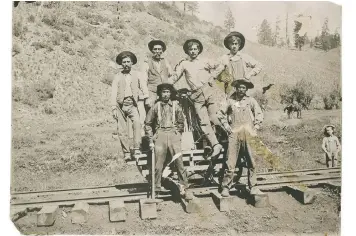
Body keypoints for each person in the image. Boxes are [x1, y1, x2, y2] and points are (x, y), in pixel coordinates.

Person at [170, 39, 223, 158]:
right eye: (191, 49)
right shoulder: (184, 63)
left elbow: (221, 65)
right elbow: (175, 76)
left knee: (215, 118)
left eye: (195, 49)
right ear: (187, 51)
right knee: (203, 122)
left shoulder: (205, 61)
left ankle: (224, 139)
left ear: (198, 50)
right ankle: (216, 145)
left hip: (209, 91)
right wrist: (166, 86)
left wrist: (212, 76)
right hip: (196, 95)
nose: (193, 51)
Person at [217, 79, 263, 197]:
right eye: (239, 87)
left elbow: (259, 113)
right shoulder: (230, 100)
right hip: (234, 133)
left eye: (243, 88)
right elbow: (220, 113)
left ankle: (253, 186)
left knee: (252, 160)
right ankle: (226, 187)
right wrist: (227, 127)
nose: (241, 89)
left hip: (248, 133)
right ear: (236, 88)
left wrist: (256, 126)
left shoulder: (251, 100)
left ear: (246, 89)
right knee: (230, 161)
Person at [144, 83, 191, 199]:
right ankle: (156, 189)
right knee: (158, 164)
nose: (165, 94)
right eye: (163, 92)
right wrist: (151, 138)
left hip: (173, 134)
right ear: (160, 94)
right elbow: (148, 124)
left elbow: (181, 121)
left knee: (179, 162)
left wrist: (177, 133)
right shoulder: (156, 106)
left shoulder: (176, 106)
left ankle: (184, 187)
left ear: (170, 93)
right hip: (160, 134)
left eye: (167, 92)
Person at [111, 51, 149, 158]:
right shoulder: (117, 76)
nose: (126, 64)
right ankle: (127, 152)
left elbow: (143, 86)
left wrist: (146, 97)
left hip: (132, 104)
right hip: (120, 105)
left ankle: (137, 148)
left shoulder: (137, 74)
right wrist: (113, 107)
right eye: (124, 62)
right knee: (121, 129)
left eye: (128, 62)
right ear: (121, 64)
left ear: (132, 63)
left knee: (137, 123)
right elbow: (114, 92)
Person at [215, 32, 263, 97]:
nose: (234, 46)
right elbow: (215, 73)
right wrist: (221, 78)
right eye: (232, 44)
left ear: (239, 45)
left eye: (236, 44)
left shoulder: (245, 57)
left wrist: (249, 75)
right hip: (230, 89)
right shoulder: (224, 58)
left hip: (242, 89)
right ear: (229, 45)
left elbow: (259, 65)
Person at [142, 39, 174, 110]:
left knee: (170, 108)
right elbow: (143, 80)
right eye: (155, 49)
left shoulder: (165, 61)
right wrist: (146, 95)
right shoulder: (147, 63)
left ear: (162, 51)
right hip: (152, 91)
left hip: (164, 91)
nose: (157, 51)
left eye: (159, 49)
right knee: (151, 108)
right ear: (152, 51)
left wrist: (169, 84)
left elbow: (171, 75)